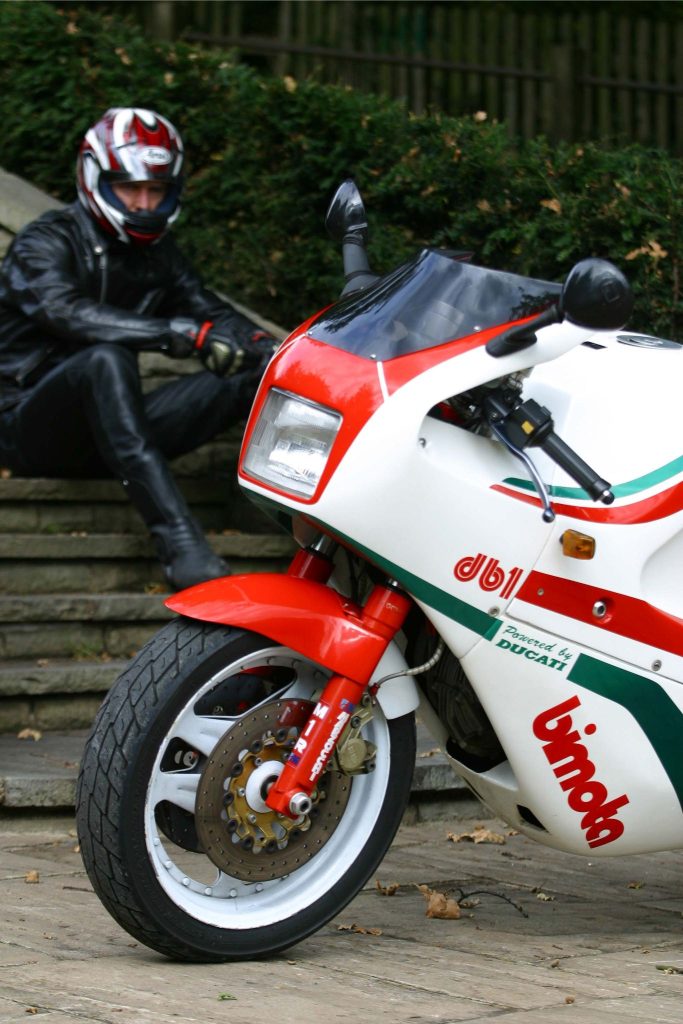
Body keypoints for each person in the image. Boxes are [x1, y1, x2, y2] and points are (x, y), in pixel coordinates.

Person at [0, 107, 278, 590]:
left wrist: (270, 347)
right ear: (95, 180)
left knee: (261, 372)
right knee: (107, 357)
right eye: (129, 189)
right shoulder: (44, 241)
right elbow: (67, 311)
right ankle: (180, 544)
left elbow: (215, 314)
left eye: (157, 191)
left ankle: (306, 529)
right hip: (26, 429)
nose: (144, 203)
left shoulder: (160, 257)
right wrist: (179, 334)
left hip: (113, 438)